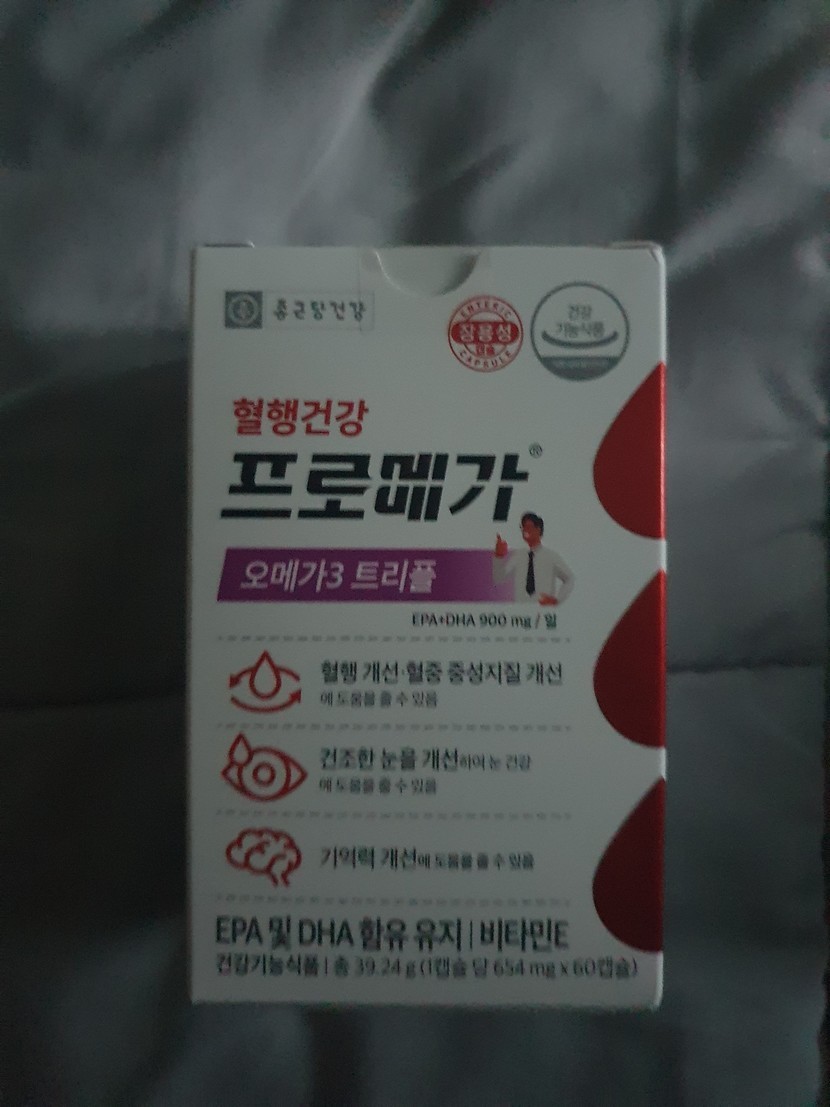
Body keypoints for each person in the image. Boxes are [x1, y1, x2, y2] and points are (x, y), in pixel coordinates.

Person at [492, 512, 574, 605]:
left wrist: (557, 600)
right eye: (522, 527)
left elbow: (570, 578)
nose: (524, 530)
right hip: (521, 611)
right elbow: (499, 578)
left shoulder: (551, 556)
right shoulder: (518, 555)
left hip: (543, 610)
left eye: (528, 527)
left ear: (538, 529)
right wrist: (498, 556)